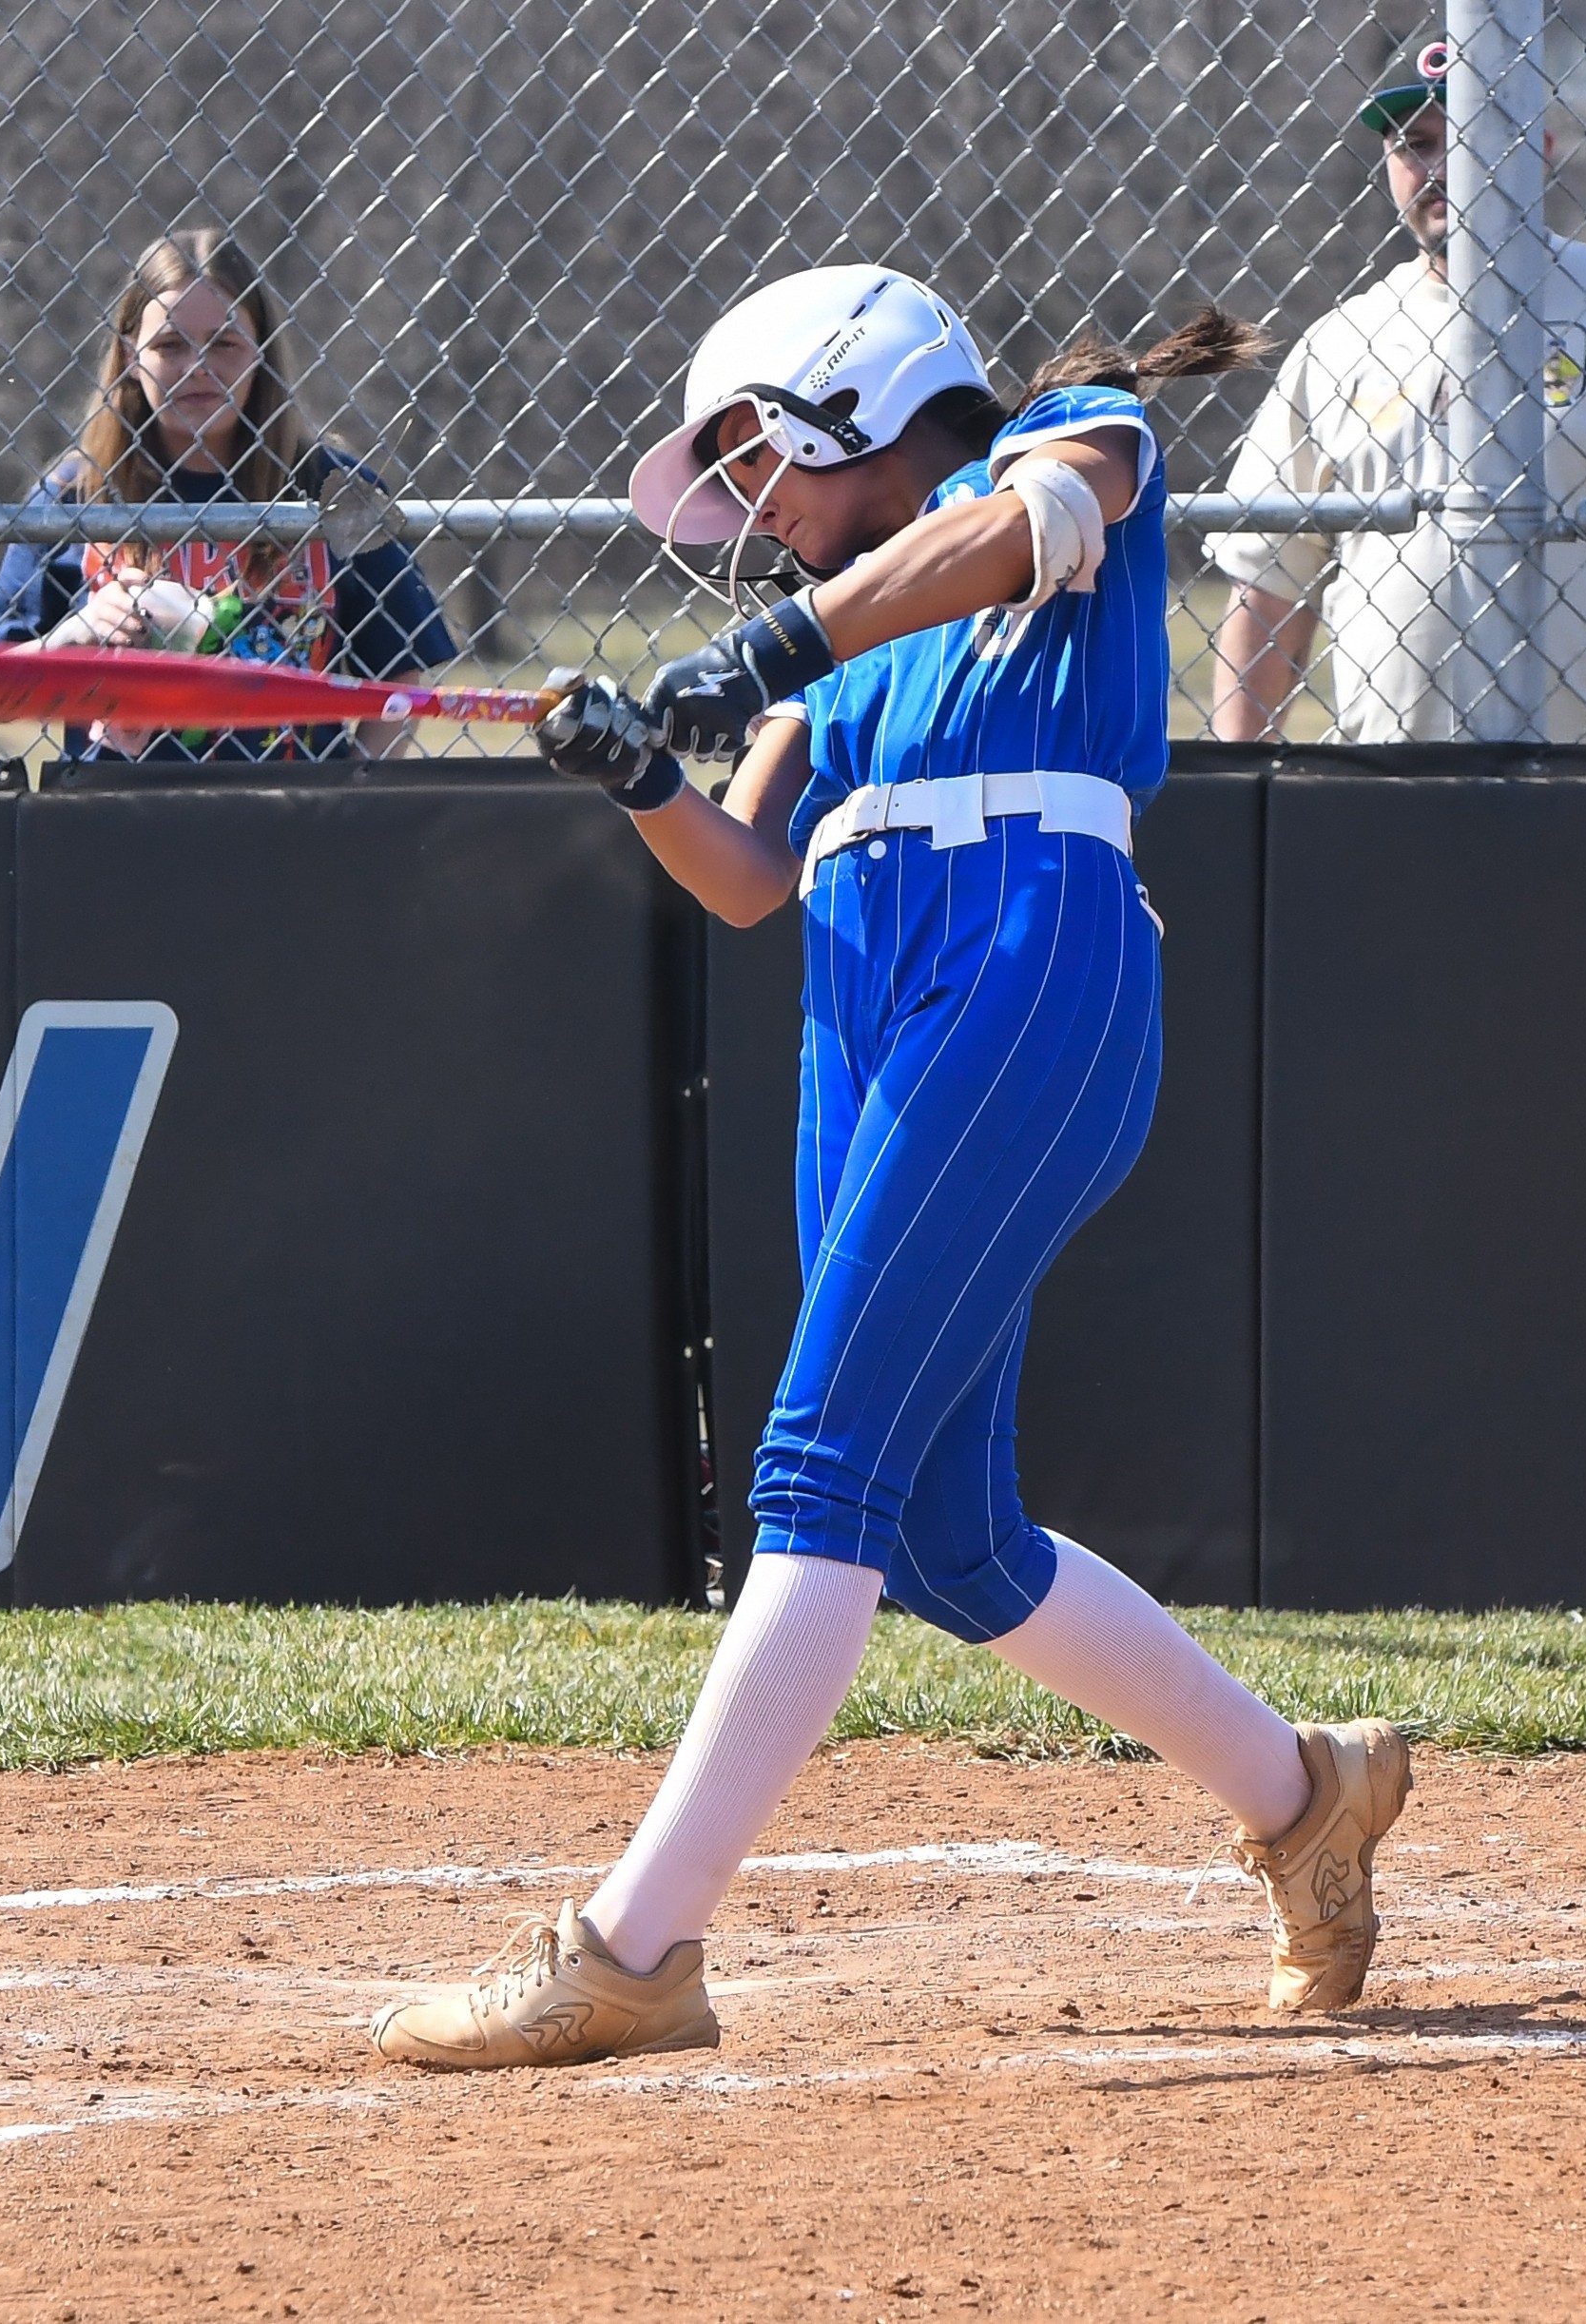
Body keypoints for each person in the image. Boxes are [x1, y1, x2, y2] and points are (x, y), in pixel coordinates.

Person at [367, 264, 1412, 2073]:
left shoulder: (1066, 444)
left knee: (818, 1462)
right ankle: (1304, 1793)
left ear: (851, 401)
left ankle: (634, 1949)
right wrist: (636, 777)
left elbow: (1009, 536)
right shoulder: (839, 637)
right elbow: (746, 876)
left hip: (1026, 946)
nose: (747, 514)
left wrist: (784, 643)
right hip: (860, 990)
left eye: (757, 459)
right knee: (943, 1532)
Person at [1210, 38, 1586, 742]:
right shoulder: (1342, 343)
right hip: (1391, 783)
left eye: (1471, 136)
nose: (1441, 167)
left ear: (1539, 149)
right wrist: (1240, 773)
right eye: (1415, 144)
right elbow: (1268, 586)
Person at [0, 229, 453, 765]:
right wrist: (75, 634)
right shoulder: (73, 494)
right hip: (115, 806)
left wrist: (352, 792)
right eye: (170, 345)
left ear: (261, 353)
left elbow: (399, 671)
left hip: (291, 804)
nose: (197, 367)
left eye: (224, 344)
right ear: (130, 355)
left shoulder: (333, 488)